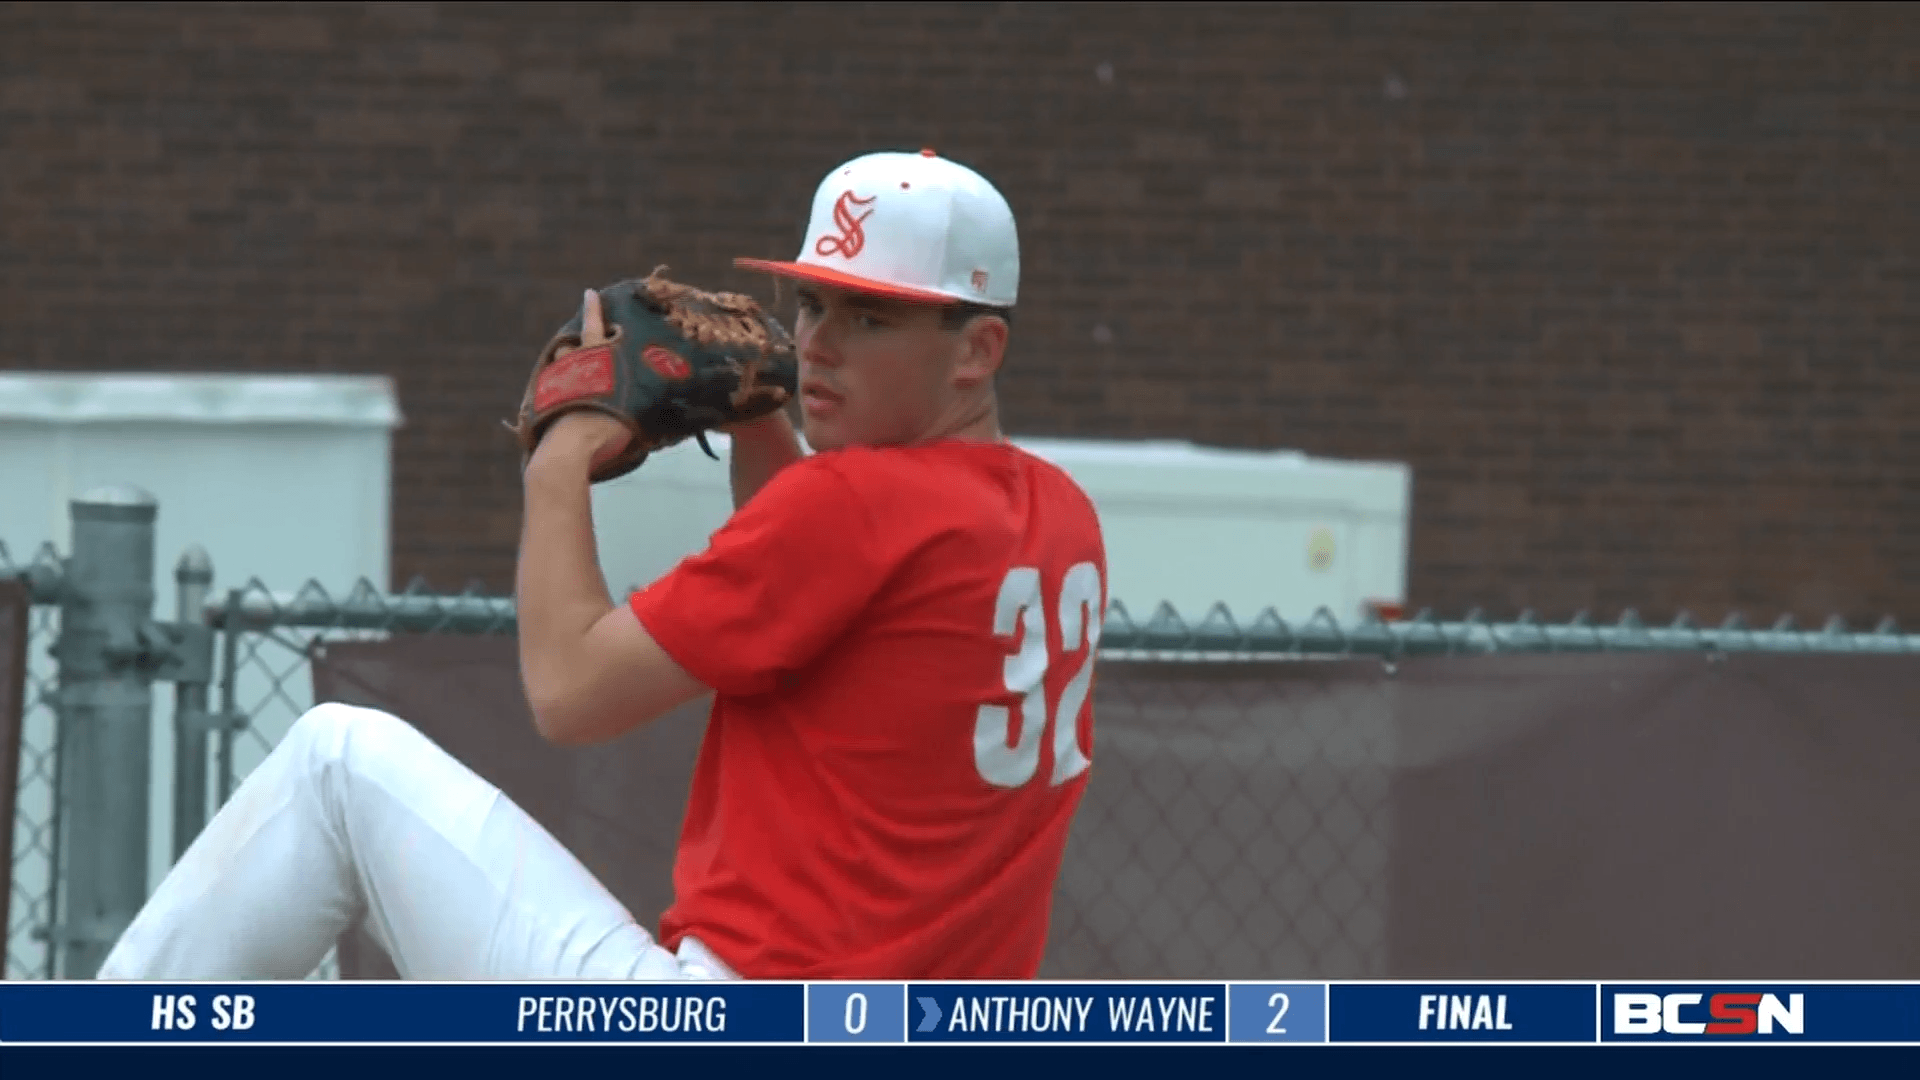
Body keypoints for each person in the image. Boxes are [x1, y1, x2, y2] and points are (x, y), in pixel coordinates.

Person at [97, 148, 1108, 982]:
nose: (820, 344)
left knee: (335, 762)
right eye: (812, 304)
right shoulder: (1058, 517)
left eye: (870, 316)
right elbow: (815, 592)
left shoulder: (851, 508)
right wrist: (759, 421)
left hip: (717, 1025)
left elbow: (571, 692)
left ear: (976, 350)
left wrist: (561, 458)